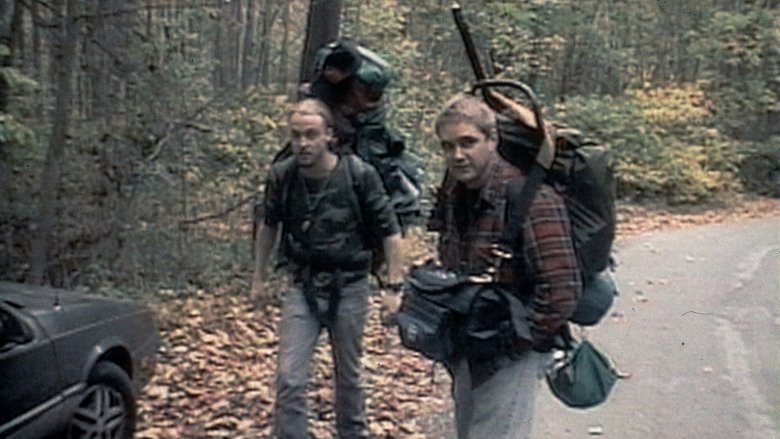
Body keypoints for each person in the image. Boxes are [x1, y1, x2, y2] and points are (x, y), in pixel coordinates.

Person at [250, 98, 404, 439]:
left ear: (329, 136)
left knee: (348, 376)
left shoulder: (359, 175)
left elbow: (391, 232)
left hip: (349, 284)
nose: (303, 143)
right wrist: (258, 277)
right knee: (289, 377)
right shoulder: (282, 176)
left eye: (311, 135)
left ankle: (352, 433)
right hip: (301, 285)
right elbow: (269, 225)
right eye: (296, 135)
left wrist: (393, 288)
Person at [430, 94, 582, 439]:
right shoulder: (457, 195)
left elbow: (562, 291)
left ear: (492, 139)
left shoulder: (530, 199)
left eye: (468, 142)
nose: (457, 154)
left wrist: (510, 344)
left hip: (510, 353)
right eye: (448, 146)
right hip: (469, 346)